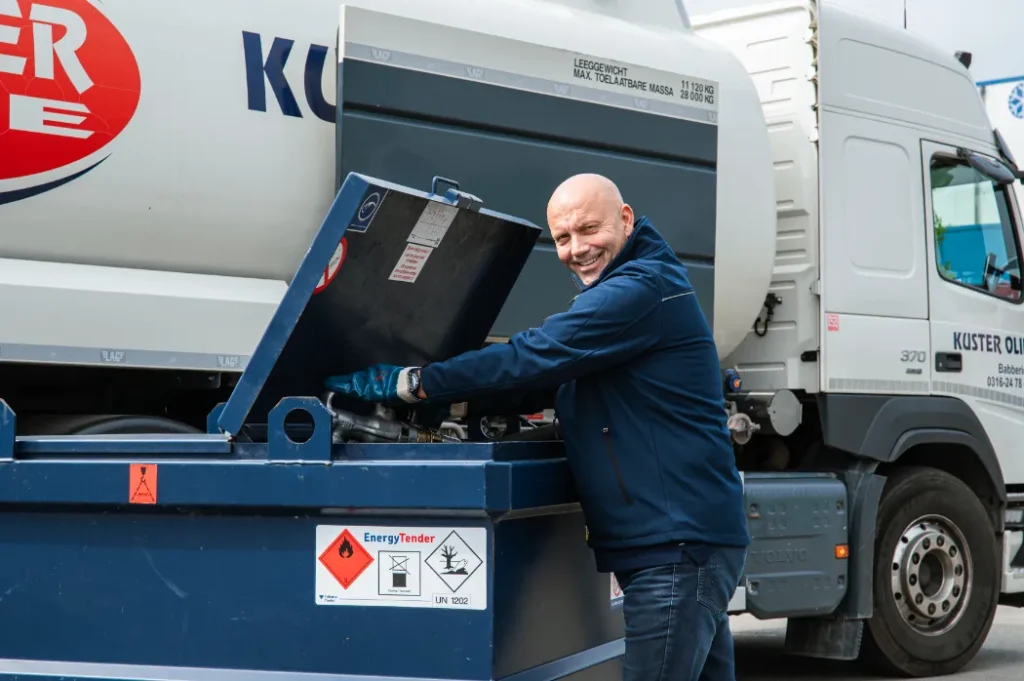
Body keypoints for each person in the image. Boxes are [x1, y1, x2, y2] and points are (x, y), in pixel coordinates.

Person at [325, 173, 750, 681]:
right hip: (686, 543)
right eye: (563, 238)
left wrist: (417, 382)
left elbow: (538, 354)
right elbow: (552, 377)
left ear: (626, 219)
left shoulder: (639, 290)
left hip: (675, 550)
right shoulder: (642, 287)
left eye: (589, 229)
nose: (577, 249)